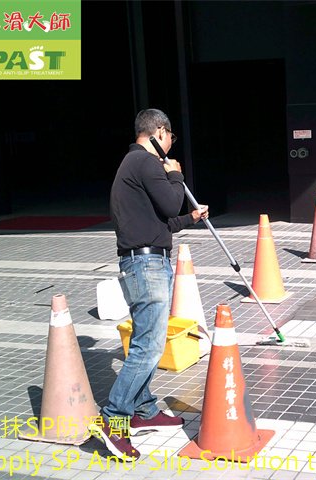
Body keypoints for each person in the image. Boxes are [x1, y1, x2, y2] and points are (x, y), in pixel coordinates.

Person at [91, 108, 209, 458]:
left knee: (146, 341)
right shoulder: (146, 163)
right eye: (171, 137)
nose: (171, 146)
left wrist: (190, 218)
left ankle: (143, 410)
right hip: (146, 265)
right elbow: (172, 202)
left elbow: (163, 223)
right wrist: (175, 175)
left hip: (143, 260)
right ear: (159, 131)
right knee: (148, 347)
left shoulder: (132, 166)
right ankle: (113, 418)